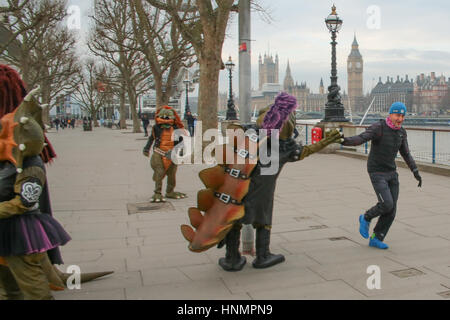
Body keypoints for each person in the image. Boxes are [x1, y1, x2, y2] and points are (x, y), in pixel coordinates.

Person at [180, 92, 344, 271]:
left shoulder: (250, 134)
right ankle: (263, 255)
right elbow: (303, 151)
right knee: (263, 219)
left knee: (233, 219)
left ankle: (232, 258)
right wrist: (325, 141)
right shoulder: (284, 146)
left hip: (235, 187)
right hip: (263, 191)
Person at [341, 102, 422, 249]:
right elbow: (361, 138)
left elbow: (406, 153)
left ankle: (377, 237)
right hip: (377, 171)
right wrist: (343, 140)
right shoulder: (379, 128)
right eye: (398, 115)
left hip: (391, 172)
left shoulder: (401, 132)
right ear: (390, 114)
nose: (400, 119)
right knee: (386, 204)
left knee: (392, 209)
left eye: (403, 116)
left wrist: (415, 171)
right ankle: (366, 217)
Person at [143, 106, 187, 203]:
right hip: (159, 153)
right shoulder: (156, 128)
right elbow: (151, 138)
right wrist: (146, 149)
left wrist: (182, 151)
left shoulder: (176, 129)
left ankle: (170, 191)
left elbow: (181, 141)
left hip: (172, 154)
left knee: (172, 173)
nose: (165, 119)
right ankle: (157, 192)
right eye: (163, 117)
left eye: (168, 117)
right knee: (160, 171)